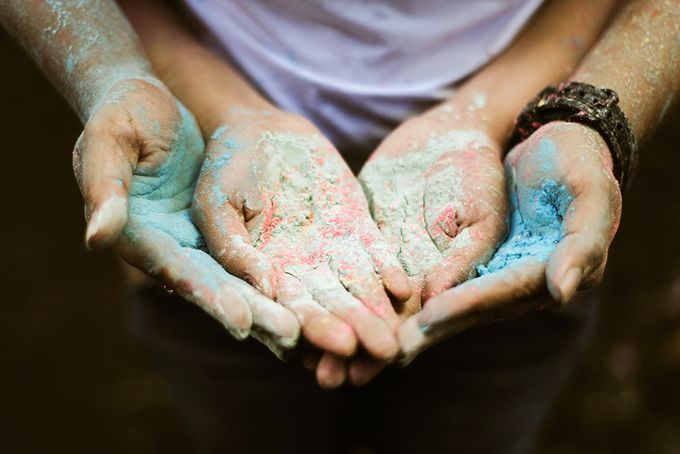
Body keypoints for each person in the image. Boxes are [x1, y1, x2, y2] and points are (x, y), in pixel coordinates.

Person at [1, 0, 678, 452]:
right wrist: (121, 74)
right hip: (204, 178)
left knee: (478, 422)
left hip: (512, 189)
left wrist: (581, 114)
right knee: (247, 420)